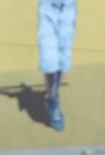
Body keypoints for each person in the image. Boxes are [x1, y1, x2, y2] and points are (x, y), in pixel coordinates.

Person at [39, 0, 77, 132]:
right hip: (48, 6)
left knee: (63, 58)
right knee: (49, 58)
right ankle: (54, 102)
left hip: (67, 7)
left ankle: (53, 96)